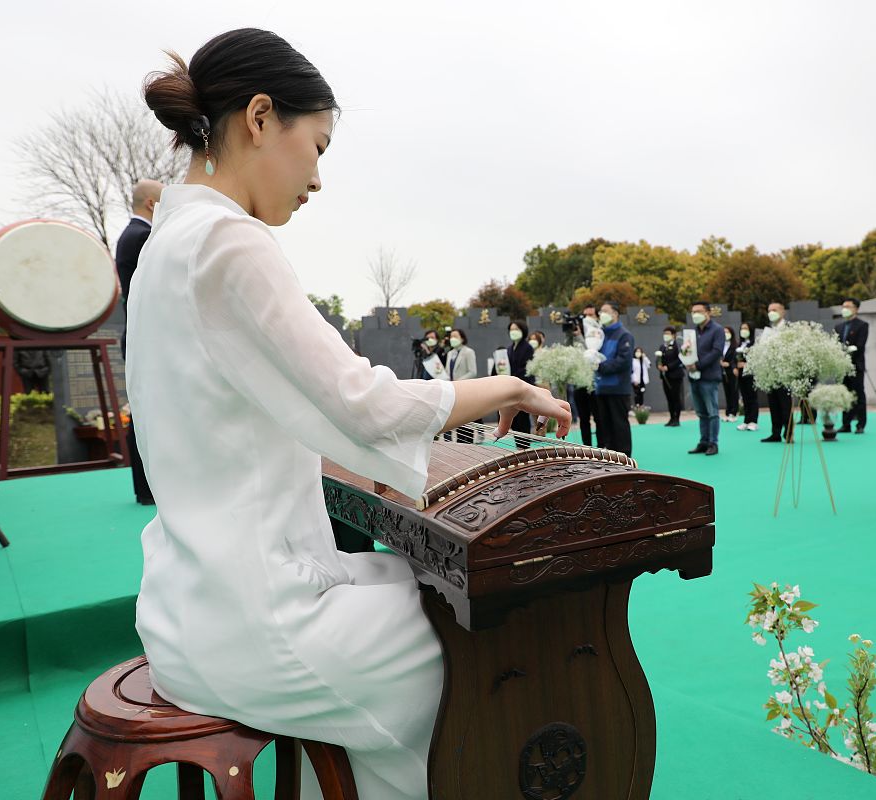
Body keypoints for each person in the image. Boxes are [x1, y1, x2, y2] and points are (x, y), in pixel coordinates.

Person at [131, 30, 571, 800]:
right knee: (490, 652)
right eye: (319, 145)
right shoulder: (230, 242)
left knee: (413, 587)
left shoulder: (168, 238)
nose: (319, 178)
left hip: (184, 606)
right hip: (256, 626)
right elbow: (362, 402)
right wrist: (507, 388)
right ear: (261, 117)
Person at [115, 178, 164, 506]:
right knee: (150, 413)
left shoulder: (127, 236)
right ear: (150, 204)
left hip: (138, 335)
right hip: (148, 337)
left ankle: (147, 488)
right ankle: (150, 488)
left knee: (146, 411)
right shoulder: (143, 237)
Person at [592, 302, 634, 455]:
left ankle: (625, 458)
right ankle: (610, 459)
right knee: (605, 426)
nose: (601, 314)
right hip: (601, 388)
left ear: (615, 314)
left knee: (619, 425)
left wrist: (600, 366)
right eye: (600, 311)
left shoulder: (624, 335)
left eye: (605, 311)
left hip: (618, 389)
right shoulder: (599, 335)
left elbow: (623, 361)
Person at [687, 301, 723, 455]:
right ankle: (703, 441)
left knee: (712, 412)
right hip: (694, 377)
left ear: (708, 313)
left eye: (699, 311)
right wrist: (687, 362)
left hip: (709, 377)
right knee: (701, 412)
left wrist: (698, 365)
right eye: (693, 311)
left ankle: (713, 443)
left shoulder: (717, 330)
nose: (695, 314)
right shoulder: (692, 333)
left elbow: (716, 351)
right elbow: (686, 351)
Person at [835, 298, 868, 434]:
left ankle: (860, 424)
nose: (845, 309)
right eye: (843, 306)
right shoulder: (839, 327)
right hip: (842, 367)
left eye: (848, 306)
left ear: (856, 309)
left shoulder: (862, 325)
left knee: (858, 394)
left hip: (856, 366)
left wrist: (848, 353)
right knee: (845, 395)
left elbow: (860, 346)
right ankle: (846, 424)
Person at [501, 320, 537, 440]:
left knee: (523, 417)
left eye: (516, 329)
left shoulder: (527, 348)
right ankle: (519, 446)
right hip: (511, 388)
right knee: (515, 419)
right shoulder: (509, 349)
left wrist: (512, 377)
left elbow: (527, 369)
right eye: (511, 330)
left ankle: (524, 447)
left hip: (523, 386)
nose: (513, 332)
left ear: (523, 331)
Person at [760, 303, 791, 442]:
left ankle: (789, 432)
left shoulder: (789, 329)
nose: (771, 312)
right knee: (773, 403)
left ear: (783, 312)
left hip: (784, 372)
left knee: (785, 404)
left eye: (774, 310)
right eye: (769, 310)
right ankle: (776, 432)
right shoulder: (769, 331)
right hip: (770, 372)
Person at [445, 328, 478, 443]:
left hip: (465, 390)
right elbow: (447, 371)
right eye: (451, 337)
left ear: (462, 338)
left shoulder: (468, 352)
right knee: (457, 420)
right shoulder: (450, 353)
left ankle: (468, 444)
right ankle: (460, 443)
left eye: (455, 336)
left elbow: (472, 371)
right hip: (453, 390)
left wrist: (459, 381)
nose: (452, 339)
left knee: (467, 420)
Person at [572, 304, 598, 445]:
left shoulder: (598, 334)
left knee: (599, 417)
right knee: (584, 418)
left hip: (595, 384)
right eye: (585, 316)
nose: (588, 319)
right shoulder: (574, 336)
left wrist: (581, 337)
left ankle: (602, 447)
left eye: (591, 315)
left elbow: (590, 352)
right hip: (580, 383)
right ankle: (587, 446)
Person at [658, 326, 685, 426]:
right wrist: (659, 365)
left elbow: (680, 359)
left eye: (668, 333)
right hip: (665, 376)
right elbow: (659, 359)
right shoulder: (662, 347)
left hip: (675, 375)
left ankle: (676, 418)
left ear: (673, 335)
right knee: (669, 397)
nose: (666, 336)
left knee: (675, 397)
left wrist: (668, 367)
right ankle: (671, 417)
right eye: (664, 334)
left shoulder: (677, 346)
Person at [735, 321, 758, 431]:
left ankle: (753, 421)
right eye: (742, 328)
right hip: (741, 374)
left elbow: (758, 358)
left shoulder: (755, 343)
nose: (743, 331)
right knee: (745, 397)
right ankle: (746, 420)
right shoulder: (740, 344)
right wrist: (736, 365)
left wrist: (747, 364)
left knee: (752, 397)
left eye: (746, 328)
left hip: (751, 374)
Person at [720, 326, 740, 422]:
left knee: (734, 392)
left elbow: (734, 358)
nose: (725, 334)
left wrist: (729, 364)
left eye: (727, 332)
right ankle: (728, 412)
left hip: (732, 371)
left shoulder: (734, 346)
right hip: (723, 372)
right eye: (724, 332)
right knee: (727, 392)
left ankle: (734, 412)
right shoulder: (721, 345)